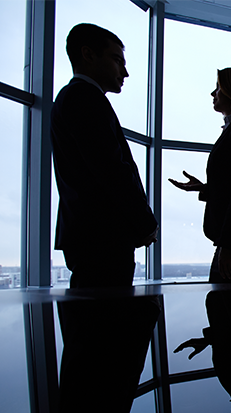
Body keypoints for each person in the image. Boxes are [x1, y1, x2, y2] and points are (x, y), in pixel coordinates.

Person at [52, 23, 158, 288]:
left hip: (90, 234)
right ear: (88, 54)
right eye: (117, 60)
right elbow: (111, 169)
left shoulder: (72, 97)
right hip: (102, 236)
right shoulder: (84, 98)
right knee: (108, 321)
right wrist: (145, 222)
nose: (125, 72)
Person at [170, 67, 231, 283]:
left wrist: (230, 245)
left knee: (226, 311)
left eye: (218, 88)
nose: (213, 94)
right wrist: (205, 188)